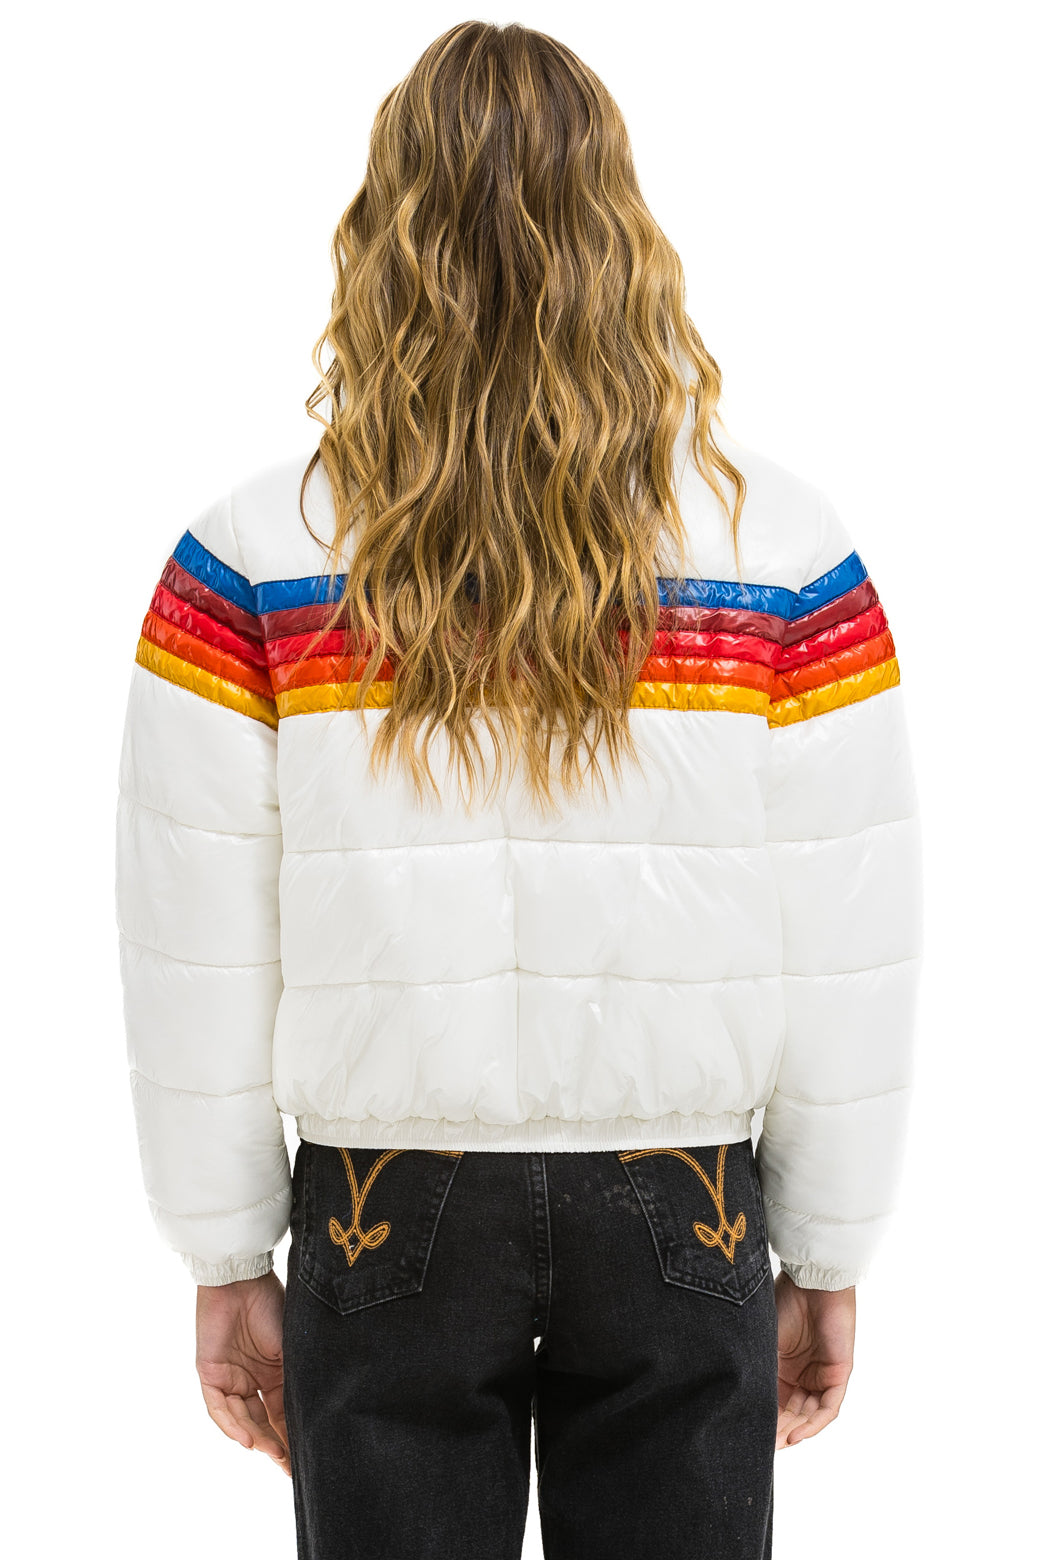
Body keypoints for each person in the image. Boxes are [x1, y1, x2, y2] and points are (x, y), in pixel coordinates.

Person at [113, 19, 923, 1560]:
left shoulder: (252, 556)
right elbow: (852, 928)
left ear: (385, 233)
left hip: (383, 1203)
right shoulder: (784, 555)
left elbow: (192, 936)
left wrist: (221, 1251)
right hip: (683, 1195)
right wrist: (830, 1249)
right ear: (620, 230)